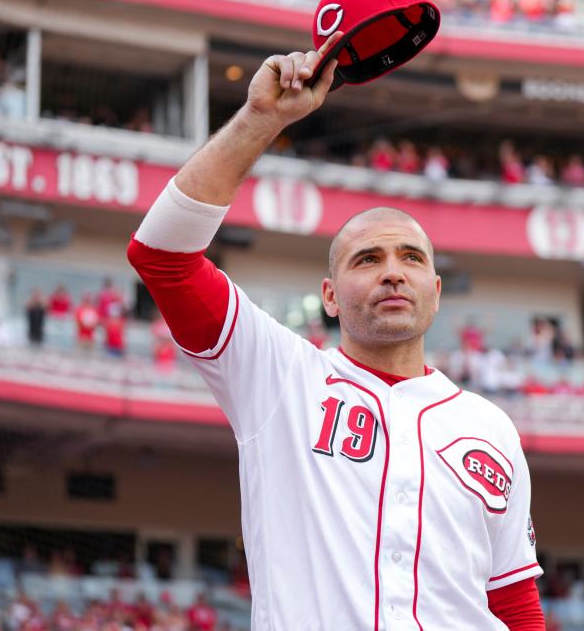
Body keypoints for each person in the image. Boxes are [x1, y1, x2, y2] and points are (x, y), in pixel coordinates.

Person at [128, 34, 543, 630]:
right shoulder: (278, 376)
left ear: (436, 289)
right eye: (367, 260)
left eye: (411, 258)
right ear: (329, 295)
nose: (393, 272)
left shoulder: (490, 427)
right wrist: (260, 119)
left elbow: (513, 603)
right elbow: (163, 256)